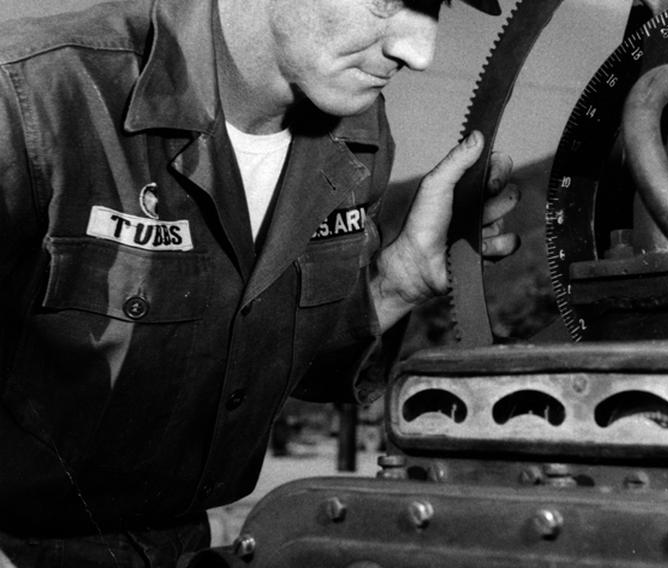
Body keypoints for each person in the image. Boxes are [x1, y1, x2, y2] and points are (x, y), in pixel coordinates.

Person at [0, 0, 519, 565]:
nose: (418, 52)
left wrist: (399, 281)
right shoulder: (31, 93)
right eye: (390, 1)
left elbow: (261, 360)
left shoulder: (355, 130)